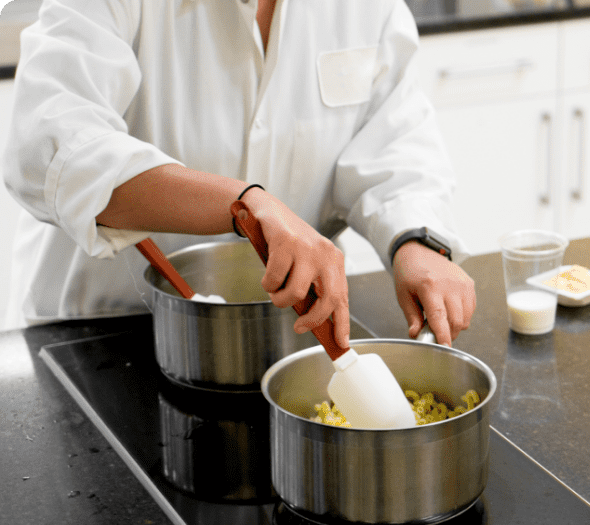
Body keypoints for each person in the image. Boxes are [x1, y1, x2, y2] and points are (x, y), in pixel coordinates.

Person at [3, 0, 476, 347]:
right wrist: (244, 203)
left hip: (281, 336)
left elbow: (394, 136)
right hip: (103, 334)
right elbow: (50, 144)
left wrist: (414, 241)